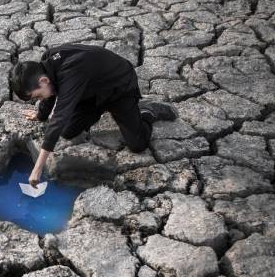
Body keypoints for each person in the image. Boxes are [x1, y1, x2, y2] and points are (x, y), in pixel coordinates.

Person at [10, 43, 177, 188]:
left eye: (37, 96)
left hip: (119, 89)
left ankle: (147, 112)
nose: (39, 99)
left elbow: (60, 116)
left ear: (43, 81)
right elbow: (51, 94)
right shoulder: (47, 64)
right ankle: (100, 111)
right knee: (68, 131)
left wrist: (38, 168)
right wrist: (41, 115)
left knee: (137, 145)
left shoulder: (71, 71)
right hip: (89, 95)